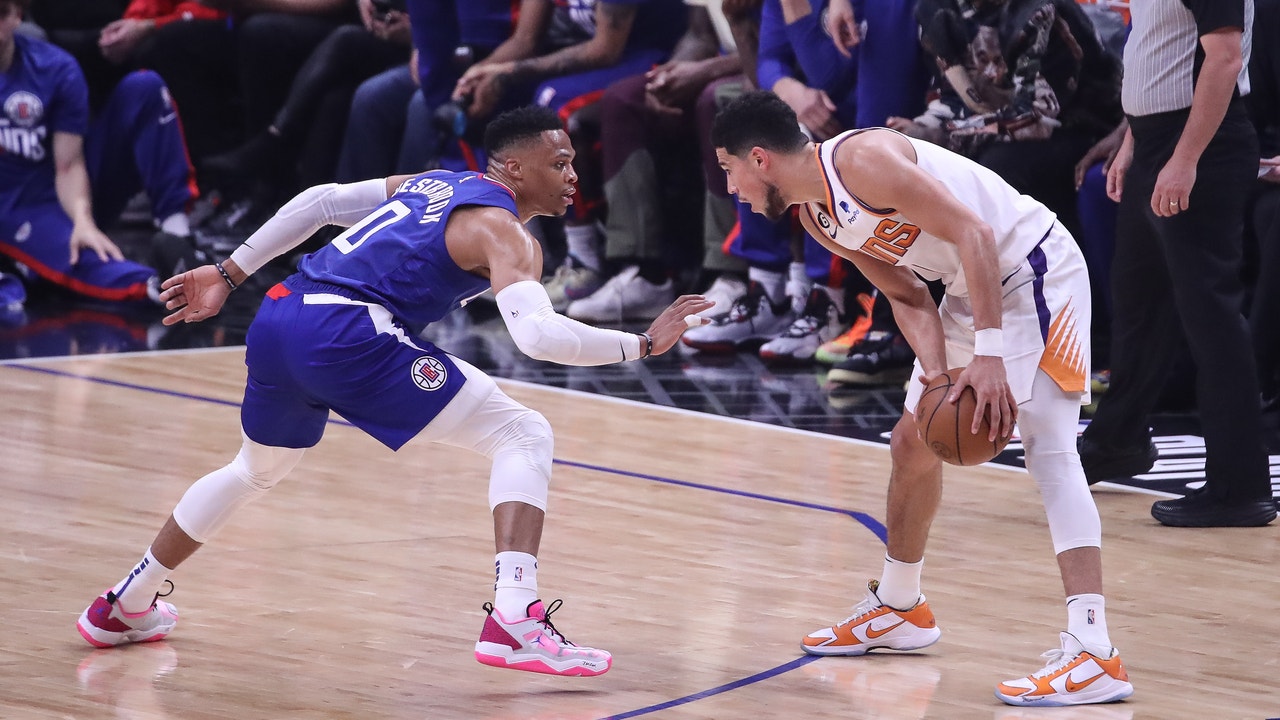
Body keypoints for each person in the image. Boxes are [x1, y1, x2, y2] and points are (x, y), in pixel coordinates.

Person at [75, 106, 712, 676]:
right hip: (346, 331)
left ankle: (125, 604)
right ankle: (516, 618)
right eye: (561, 162)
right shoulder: (506, 233)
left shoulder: (433, 182)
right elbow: (539, 339)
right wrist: (642, 345)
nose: (575, 176)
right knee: (524, 433)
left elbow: (323, 200)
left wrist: (229, 270)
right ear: (514, 168)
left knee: (253, 470)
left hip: (279, 315)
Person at [712, 91, 1132, 707]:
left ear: (759, 159)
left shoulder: (861, 161)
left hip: (1035, 268)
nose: (731, 188)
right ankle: (900, 607)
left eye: (728, 170)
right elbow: (907, 295)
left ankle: (1095, 651)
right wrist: (936, 377)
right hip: (970, 286)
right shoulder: (815, 216)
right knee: (912, 443)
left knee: (1050, 449)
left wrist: (988, 352)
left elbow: (976, 231)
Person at [1077, 0, 1277, 527]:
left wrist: (1185, 159)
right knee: (1140, 306)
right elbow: (1159, 55)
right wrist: (1133, 144)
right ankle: (1117, 439)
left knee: (1211, 317)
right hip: (1156, 142)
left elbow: (1225, 60)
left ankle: (1241, 486)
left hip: (1200, 145)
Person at [0, 0, 203, 307]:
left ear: (17, 15)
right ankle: (165, 288)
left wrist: (82, 220)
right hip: (12, 206)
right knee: (83, 256)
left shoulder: (55, 67)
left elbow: (68, 165)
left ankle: (178, 235)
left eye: (0, 14)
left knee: (145, 87)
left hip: (63, 189)